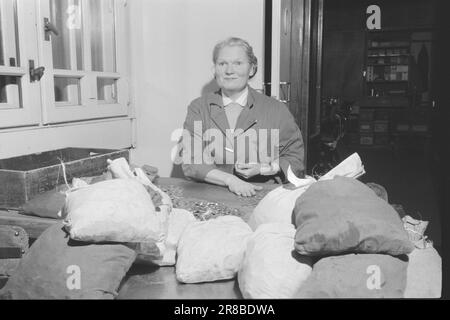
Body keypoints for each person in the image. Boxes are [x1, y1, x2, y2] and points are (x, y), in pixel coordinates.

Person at [181, 37, 304, 197]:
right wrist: (230, 180)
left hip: (261, 197)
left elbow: (295, 160)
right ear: (214, 69)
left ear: (251, 69)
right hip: (212, 198)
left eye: (238, 63)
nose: (229, 70)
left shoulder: (276, 109)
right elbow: (191, 162)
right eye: (222, 63)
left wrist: (263, 168)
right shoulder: (198, 107)